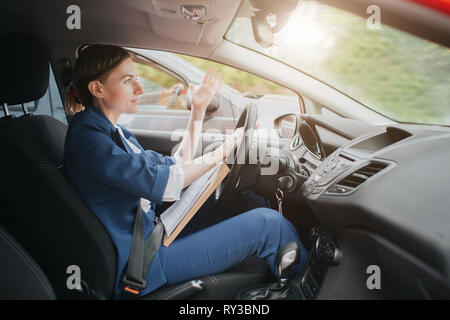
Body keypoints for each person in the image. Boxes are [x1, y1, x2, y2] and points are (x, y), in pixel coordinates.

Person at [63, 44, 308, 299]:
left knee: (244, 201)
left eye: (136, 79)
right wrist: (225, 148)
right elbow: (168, 183)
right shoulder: (89, 141)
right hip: (142, 261)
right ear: (97, 88)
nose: (139, 88)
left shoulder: (115, 133)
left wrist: (198, 112)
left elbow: (175, 167)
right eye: (127, 81)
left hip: (153, 233)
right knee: (269, 225)